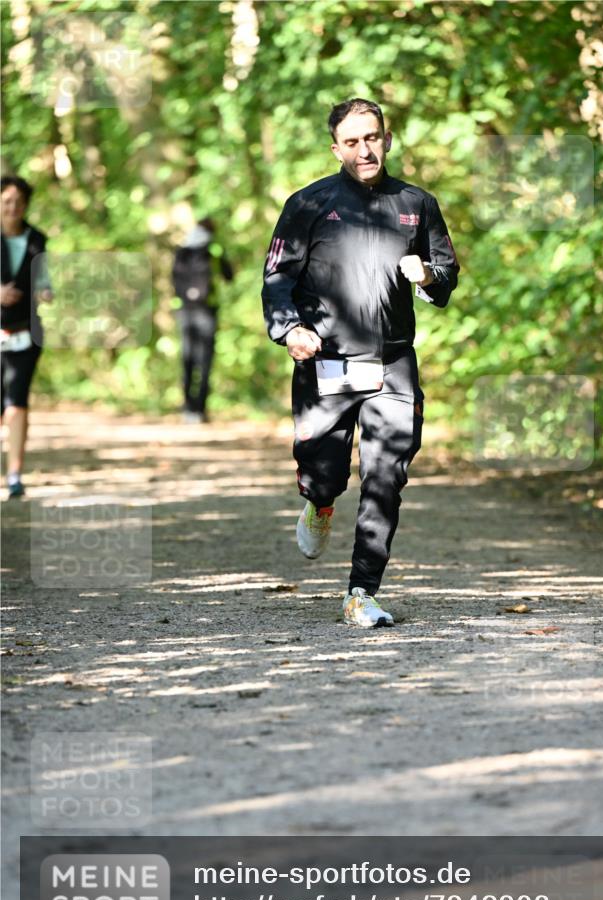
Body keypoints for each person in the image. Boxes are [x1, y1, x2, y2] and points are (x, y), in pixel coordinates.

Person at [262, 98, 459, 628]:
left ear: (386, 139)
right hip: (326, 360)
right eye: (351, 142)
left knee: (387, 474)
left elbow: (446, 275)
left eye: (372, 138)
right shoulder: (308, 204)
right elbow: (277, 279)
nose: (364, 150)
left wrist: (428, 276)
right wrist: (289, 330)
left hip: (393, 362)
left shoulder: (417, 203)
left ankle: (361, 591)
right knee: (324, 472)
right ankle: (320, 502)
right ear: (336, 149)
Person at [1, 175, 52, 499]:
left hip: (25, 334)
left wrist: (45, 291)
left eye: (19, 202)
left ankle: (14, 476)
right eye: (7, 201)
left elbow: (43, 278)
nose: (13, 207)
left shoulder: (37, 239)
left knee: (17, 404)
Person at [172, 217, 233, 423]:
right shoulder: (214, 249)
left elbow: (173, 280)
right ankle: (200, 410)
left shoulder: (182, 249)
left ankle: (187, 408)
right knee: (204, 361)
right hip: (206, 311)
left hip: (184, 311)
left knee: (187, 359)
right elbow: (229, 275)